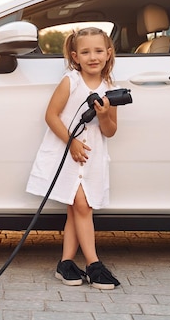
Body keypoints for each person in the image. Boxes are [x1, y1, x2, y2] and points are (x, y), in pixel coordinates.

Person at [26, 27, 121, 290]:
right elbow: (51, 116)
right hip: (67, 153)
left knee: (74, 208)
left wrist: (103, 115)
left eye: (99, 51)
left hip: (92, 156)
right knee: (82, 206)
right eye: (86, 51)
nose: (93, 56)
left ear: (108, 53)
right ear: (75, 56)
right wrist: (72, 142)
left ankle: (66, 263)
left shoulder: (109, 88)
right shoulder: (71, 81)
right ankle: (94, 264)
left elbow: (111, 131)